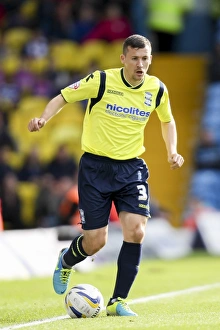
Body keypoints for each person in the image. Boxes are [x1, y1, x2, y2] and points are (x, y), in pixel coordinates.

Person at [28, 34, 184, 317]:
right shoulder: (101, 81)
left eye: (145, 59)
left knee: (136, 230)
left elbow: (167, 120)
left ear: (150, 59)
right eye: (135, 58)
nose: (140, 64)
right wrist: (43, 118)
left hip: (131, 168)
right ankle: (66, 260)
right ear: (123, 58)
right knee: (95, 241)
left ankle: (118, 301)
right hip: (95, 169)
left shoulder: (157, 89)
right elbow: (63, 96)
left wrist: (172, 150)